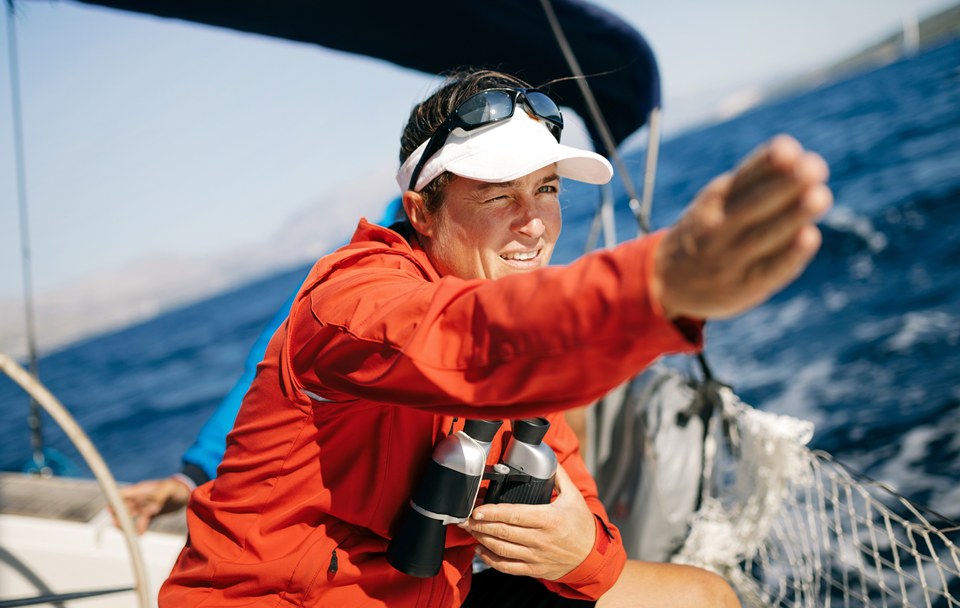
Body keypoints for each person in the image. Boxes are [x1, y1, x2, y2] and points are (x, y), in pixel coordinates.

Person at [158, 68, 832, 607]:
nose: (534, 224)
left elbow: (578, 499)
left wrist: (580, 552)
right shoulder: (350, 300)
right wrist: (659, 285)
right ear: (422, 212)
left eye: (547, 190)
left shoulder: (522, 365)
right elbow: (469, 344)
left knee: (705, 597)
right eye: (498, 196)